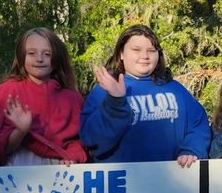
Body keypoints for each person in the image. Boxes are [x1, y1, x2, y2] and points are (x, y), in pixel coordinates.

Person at [81, 24, 210, 167]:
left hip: (171, 176)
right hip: (121, 178)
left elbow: (198, 124)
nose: (145, 56)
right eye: (136, 50)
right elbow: (92, 141)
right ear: (121, 53)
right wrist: (115, 101)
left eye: (151, 50)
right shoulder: (104, 89)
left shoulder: (175, 89)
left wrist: (191, 149)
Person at [0, 28, 87, 166]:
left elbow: (80, 141)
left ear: (57, 57)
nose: (39, 59)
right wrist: (21, 131)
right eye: (31, 53)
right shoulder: (6, 91)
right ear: (21, 56)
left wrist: (72, 155)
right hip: (18, 171)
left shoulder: (72, 97)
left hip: (62, 171)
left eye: (47, 54)